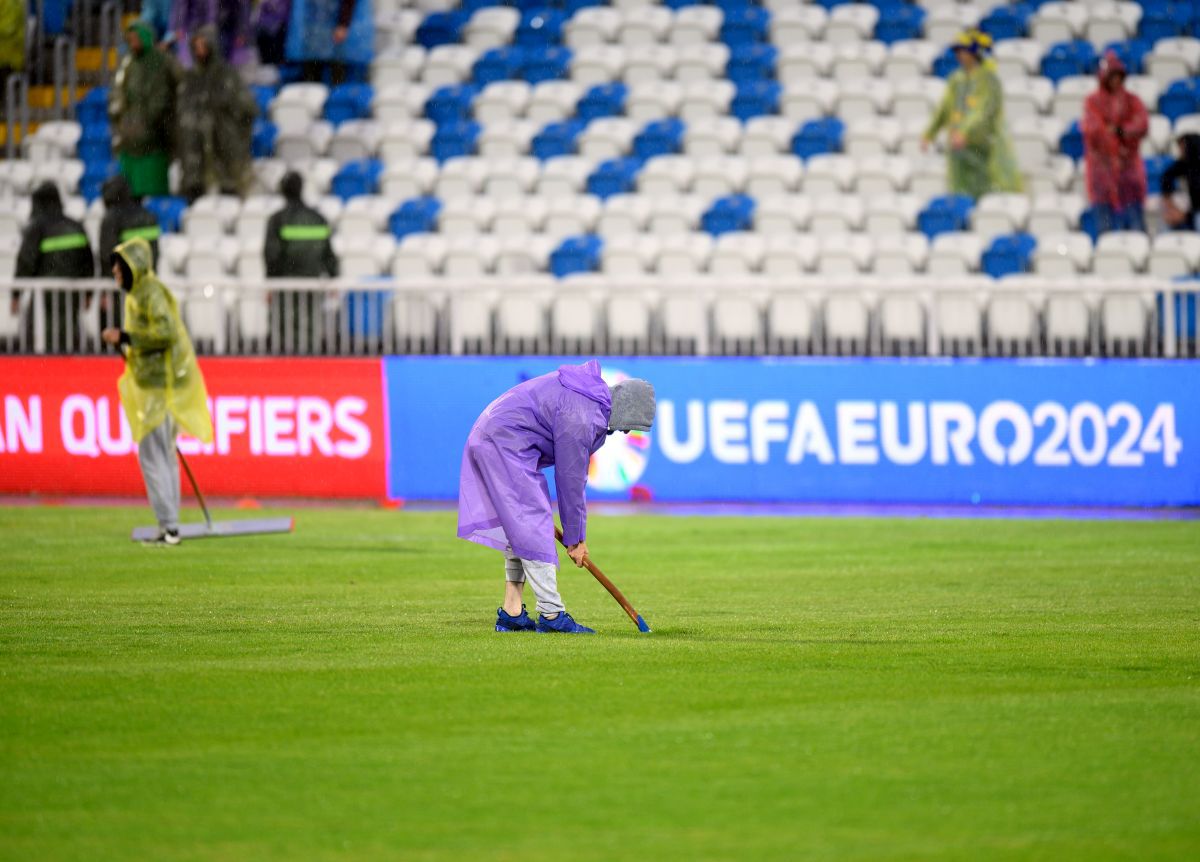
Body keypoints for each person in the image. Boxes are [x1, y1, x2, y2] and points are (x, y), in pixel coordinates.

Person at [458, 361, 656, 634]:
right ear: (625, 410)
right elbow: (570, 480)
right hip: (502, 442)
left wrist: (576, 536)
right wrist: (576, 539)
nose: (626, 432)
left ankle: (512, 612)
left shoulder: (588, 401)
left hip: (499, 437)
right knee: (533, 522)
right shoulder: (582, 415)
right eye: (630, 425)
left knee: (523, 526)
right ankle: (552, 615)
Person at [101, 237, 213, 546]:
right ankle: (171, 525)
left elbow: (165, 332)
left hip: (159, 387)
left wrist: (125, 336)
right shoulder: (140, 293)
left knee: (152, 455)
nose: (114, 270)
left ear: (131, 266)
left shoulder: (149, 292)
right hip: (156, 384)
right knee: (163, 454)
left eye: (118, 265)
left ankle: (169, 526)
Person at [921, 29, 1023, 199]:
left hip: (983, 147)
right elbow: (945, 108)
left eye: (964, 50)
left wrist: (964, 132)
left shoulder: (988, 80)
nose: (960, 55)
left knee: (984, 188)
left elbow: (983, 110)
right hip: (957, 147)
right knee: (958, 189)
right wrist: (929, 133)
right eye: (958, 51)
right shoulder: (956, 79)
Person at [177, 25, 257, 202]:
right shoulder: (190, 77)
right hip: (195, 148)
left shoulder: (226, 75)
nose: (199, 51)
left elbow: (247, 108)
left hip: (223, 144)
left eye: (203, 45)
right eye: (196, 46)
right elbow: (181, 108)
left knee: (228, 191)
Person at [14, 182, 96, 352]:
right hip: (71, 297)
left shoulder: (36, 227)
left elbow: (25, 263)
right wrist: (88, 294)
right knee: (69, 338)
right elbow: (88, 262)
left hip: (45, 298)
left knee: (39, 340)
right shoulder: (76, 226)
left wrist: (16, 295)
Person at [264, 171, 339, 351]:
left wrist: (270, 283)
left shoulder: (277, 220)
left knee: (285, 331)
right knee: (310, 328)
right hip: (312, 284)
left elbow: (271, 255)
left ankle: (287, 372)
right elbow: (329, 255)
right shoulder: (318, 219)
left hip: (285, 286)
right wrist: (333, 278)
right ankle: (311, 369)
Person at [1081, 51, 1149, 234]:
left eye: (1119, 76)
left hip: (1129, 175)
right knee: (1106, 232)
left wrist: (1119, 130)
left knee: (1135, 228)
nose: (1116, 81)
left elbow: (1141, 124)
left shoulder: (1132, 100)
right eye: (1112, 76)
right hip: (1101, 176)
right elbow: (1093, 130)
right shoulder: (1093, 102)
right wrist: (1116, 135)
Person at [110, 21, 177, 199]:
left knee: (154, 187)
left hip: (155, 136)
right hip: (130, 133)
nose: (132, 43)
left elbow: (163, 96)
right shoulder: (128, 64)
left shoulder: (161, 61)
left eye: (135, 39)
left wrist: (151, 121)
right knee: (131, 191)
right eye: (129, 40)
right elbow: (119, 94)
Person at [286, 0, 373, 86]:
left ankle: (338, 96)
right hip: (312, 33)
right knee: (312, 74)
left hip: (337, 34)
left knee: (337, 70)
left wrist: (343, 24)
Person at [99, 176, 161, 268]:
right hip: (147, 277)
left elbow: (107, 256)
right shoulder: (148, 215)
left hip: (121, 279)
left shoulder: (112, 218)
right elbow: (154, 253)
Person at [171, 0, 252, 67]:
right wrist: (179, 26)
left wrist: (242, 32)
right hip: (195, 27)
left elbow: (243, 7)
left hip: (224, 29)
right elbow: (182, 4)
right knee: (197, 62)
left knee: (221, 63)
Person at [1161, 133, 1200, 232]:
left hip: (1194, 213)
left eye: (1183, 146)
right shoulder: (1178, 167)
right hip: (1181, 211)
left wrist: (1185, 214)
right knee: (1165, 221)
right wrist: (1172, 208)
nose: (1180, 150)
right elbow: (1165, 183)